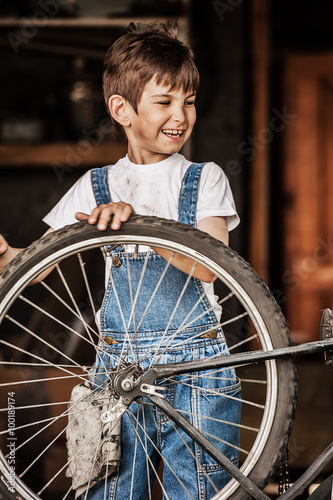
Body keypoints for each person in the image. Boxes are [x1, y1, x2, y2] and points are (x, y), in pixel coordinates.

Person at [0, 21, 241, 500]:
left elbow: (211, 265)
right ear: (121, 110)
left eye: (189, 102)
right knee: (108, 492)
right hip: (116, 369)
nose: (181, 115)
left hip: (196, 367)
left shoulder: (205, 178)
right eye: (165, 102)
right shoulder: (96, 186)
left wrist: (141, 226)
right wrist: (8, 256)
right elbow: (38, 264)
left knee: (198, 492)